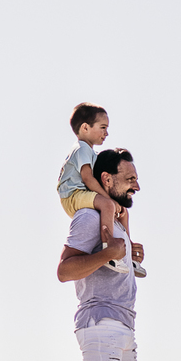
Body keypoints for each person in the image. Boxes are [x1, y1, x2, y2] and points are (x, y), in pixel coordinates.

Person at [56, 148, 146, 361]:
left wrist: (130, 255)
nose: (136, 186)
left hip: (125, 324)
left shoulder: (116, 220)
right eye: (130, 179)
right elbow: (65, 270)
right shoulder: (90, 217)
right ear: (106, 179)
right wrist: (108, 252)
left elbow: (114, 260)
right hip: (99, 321)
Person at [56, 103, 146, 276]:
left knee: (123, 211)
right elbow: (88, 178)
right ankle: (110, 249)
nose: (107, 133)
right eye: (103, 127)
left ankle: (127, 255)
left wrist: (128, 248)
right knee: (108, 205)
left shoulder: (90, 152)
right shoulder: (81, 148)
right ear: (85, 127)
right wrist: (108, 199)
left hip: (80, 194)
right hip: (72, 195)